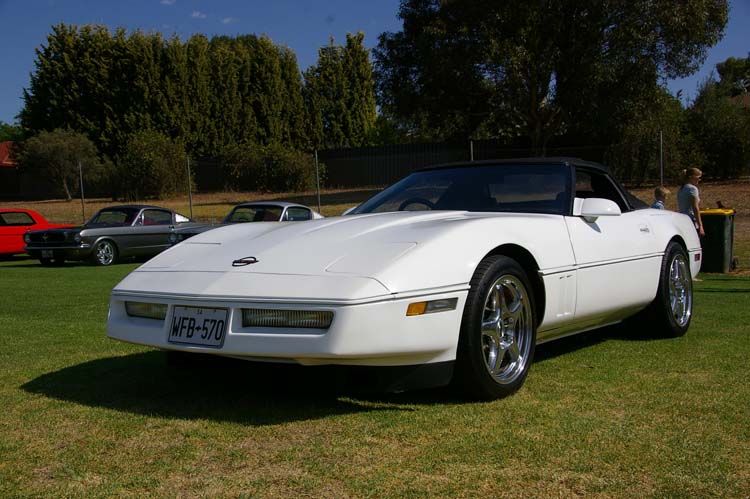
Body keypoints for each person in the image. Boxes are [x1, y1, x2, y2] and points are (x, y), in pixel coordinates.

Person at [677, 168, 704, 237]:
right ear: (691, 177)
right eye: (698, 177)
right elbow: (695, 208)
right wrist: (700, 225)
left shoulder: (681, 189)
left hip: (682, 219)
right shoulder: (692, 189)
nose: (699, 179)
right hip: (690, 220)